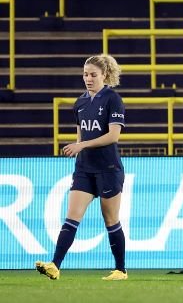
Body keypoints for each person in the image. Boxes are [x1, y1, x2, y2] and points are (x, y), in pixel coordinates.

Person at [36, 55, 127, 281]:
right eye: (85, 74)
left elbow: (113, 136)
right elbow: (81, 135)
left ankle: (120, 270)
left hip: (108, 168)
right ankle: (55, 265)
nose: (88, 78)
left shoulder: (112, 99)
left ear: (104, 75)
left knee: (111, 220)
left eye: (93, 74)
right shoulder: (80, 103)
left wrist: (82, 145)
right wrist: (79, 150)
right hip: (85, 169)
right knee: (71, 217)